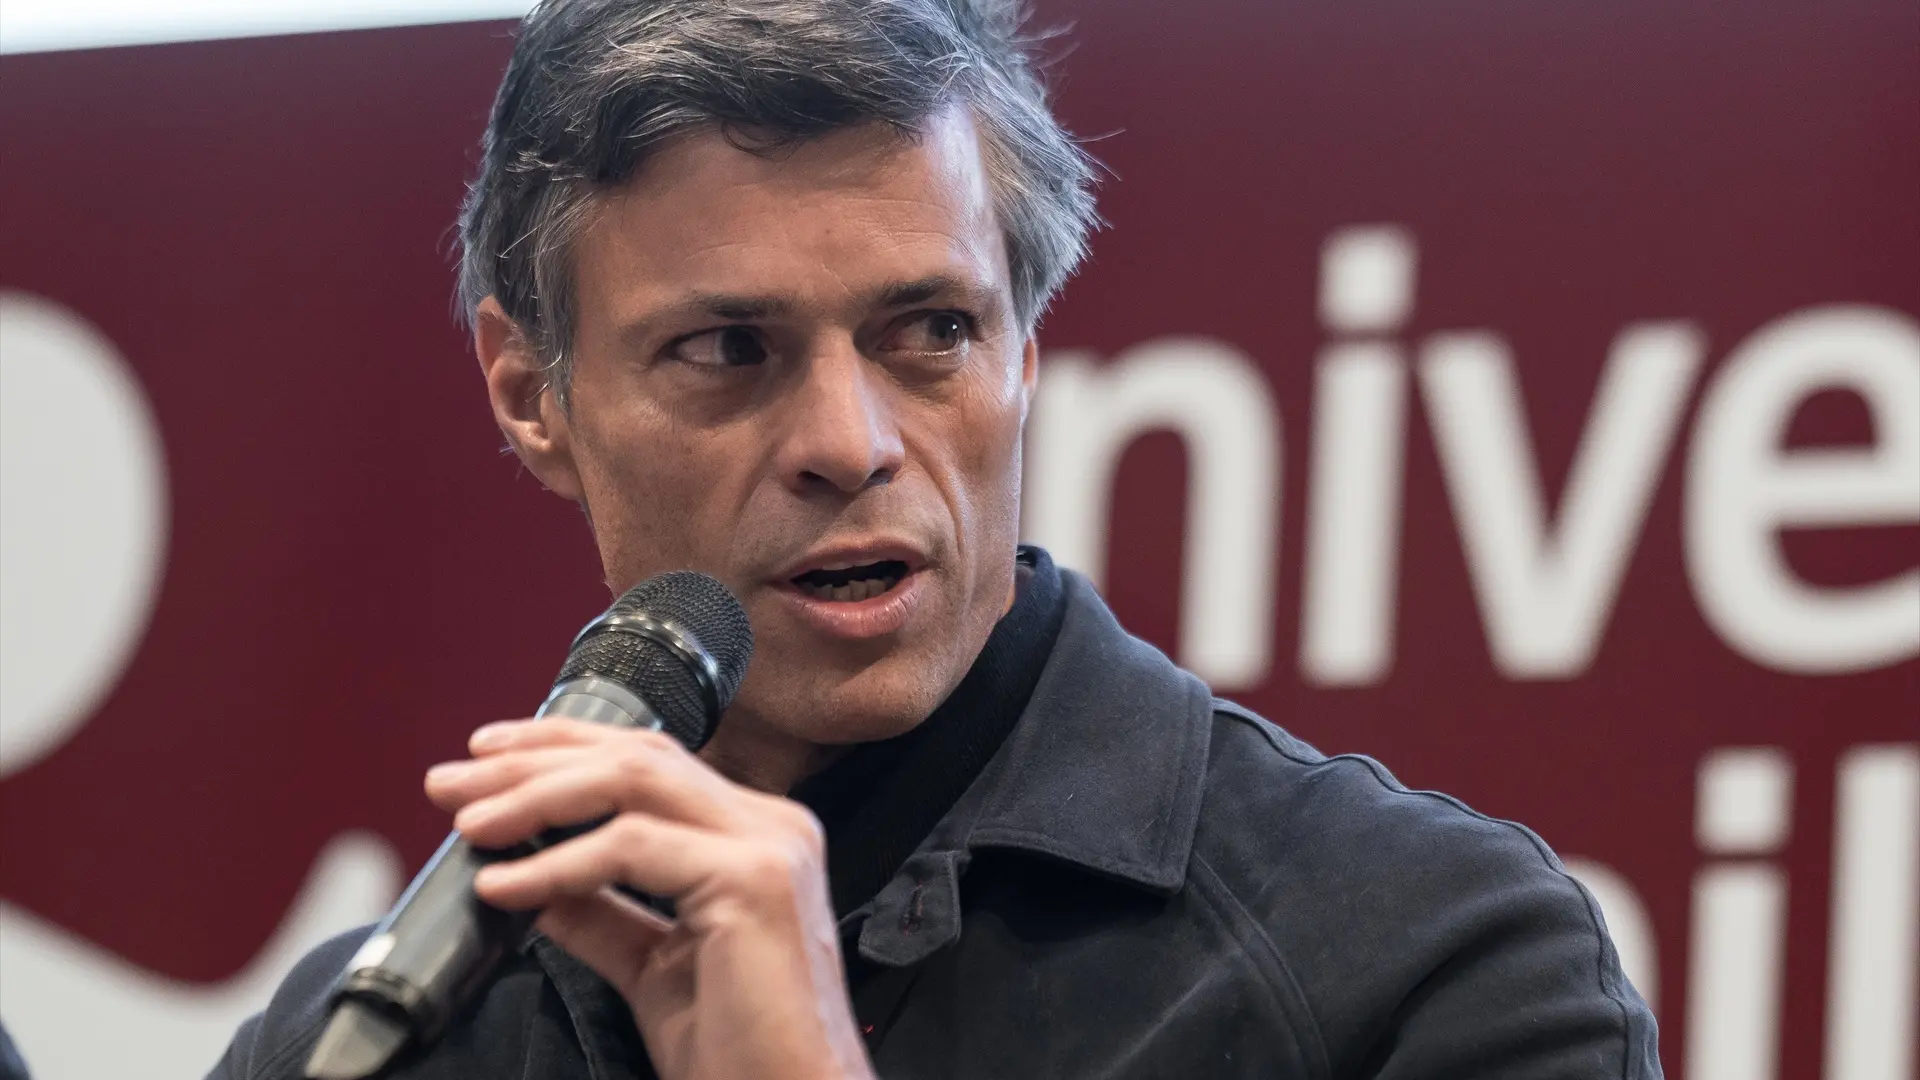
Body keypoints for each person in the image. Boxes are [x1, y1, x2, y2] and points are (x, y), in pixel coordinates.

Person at [209, 1, 1661, 1077]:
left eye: (930, 331)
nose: (849, 442)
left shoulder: (1432, 963)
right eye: (727, 349)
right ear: (535, 397)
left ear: (1024, 353)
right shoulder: (364, 1042)